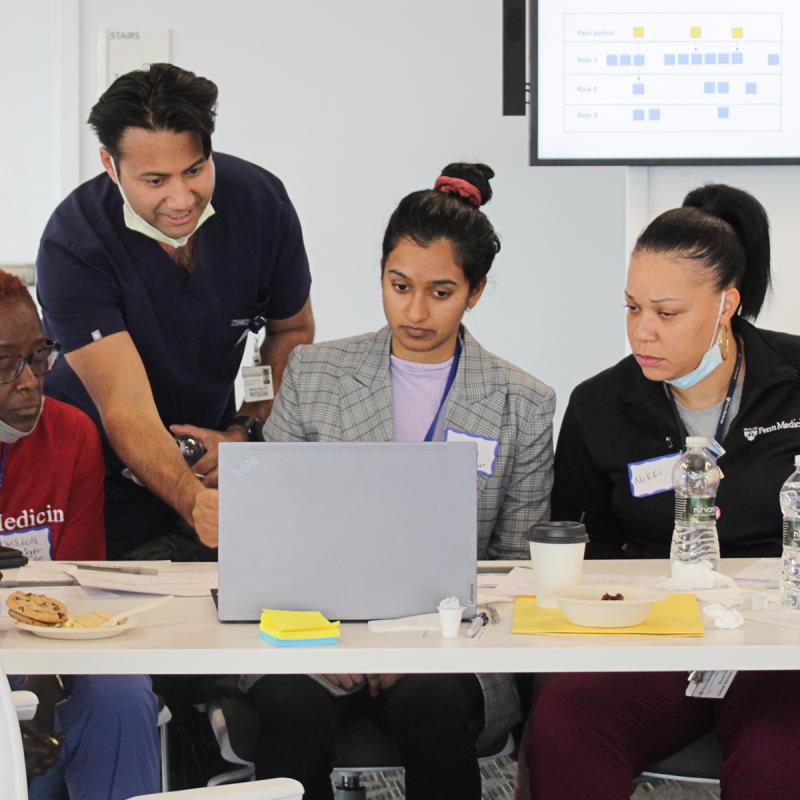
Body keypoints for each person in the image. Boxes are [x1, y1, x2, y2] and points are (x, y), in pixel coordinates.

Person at [236, 162, 555, 800]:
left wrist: (420, 644)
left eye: (440, 292)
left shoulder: (522, 400)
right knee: (290, 711)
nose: (415, 310)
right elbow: (273, 538)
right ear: (380, 274)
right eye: (398, 284)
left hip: (449, 643)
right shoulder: (316, 372)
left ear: (477, 291)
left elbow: (519, 569)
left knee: (432, 706)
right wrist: (338, 643)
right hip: (312, 632)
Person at [525, 184, 800, 799]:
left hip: (784, 641)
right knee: (566, 726)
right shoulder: (600, 406)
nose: (642, 332)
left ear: (726, 304)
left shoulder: (794, 380)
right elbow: (577, 545)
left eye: (666, 314)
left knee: (782, 760)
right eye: (631, 308)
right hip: (652, 631)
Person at [36, 63, 314, 558]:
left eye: (194, 169)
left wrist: (245, 430)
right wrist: (193, 502)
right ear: (109, 163)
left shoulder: (259, 203)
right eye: (155, 180)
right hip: (98, 475)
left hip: (214, 455)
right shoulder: (74, 244)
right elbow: (125, 407)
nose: (181, 199)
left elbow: (291, 329)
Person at [0, 269, 160, 800]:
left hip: (51, 658)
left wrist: (41, 701)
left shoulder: (72, 433)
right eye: (4, 365)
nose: (29, 382)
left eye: (39, 356)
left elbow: (78, 590)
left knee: (119, 690)